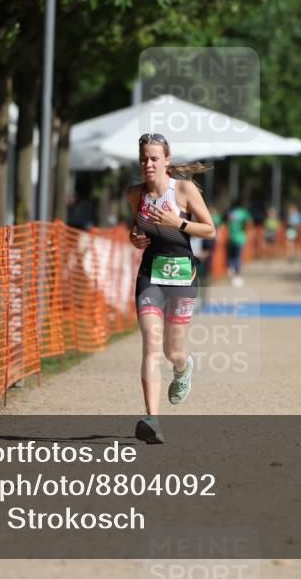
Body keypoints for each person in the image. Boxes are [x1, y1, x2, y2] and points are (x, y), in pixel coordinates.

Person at [128, 133, 215, 444]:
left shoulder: (183, 189)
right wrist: (135, 238)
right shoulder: (135, 194)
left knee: (171, 351)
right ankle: (152, 419)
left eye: (154, 158)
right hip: (150, 275)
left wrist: (177, 223)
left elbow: (210, 229)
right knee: (151, 345)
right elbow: (136, 228)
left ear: (167, 159)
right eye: (144, 159)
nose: (148, 164)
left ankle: (183, 366)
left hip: (182, 276)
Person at [225, 200, 252, 287]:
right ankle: (237, 276)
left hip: (231, 237)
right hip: (240, 237)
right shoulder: (244, 213)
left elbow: (227, 224)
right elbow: (249, 223)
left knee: (231, 255)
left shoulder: (231, 213)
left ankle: (230, 268)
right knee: (238, 257)